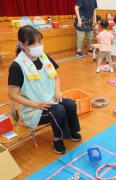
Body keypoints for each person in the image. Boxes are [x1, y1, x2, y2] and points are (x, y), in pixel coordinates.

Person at [8, 25, 81, 154]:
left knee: (70, 104)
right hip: (33, 109)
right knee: (58, 110)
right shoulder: (17, 66)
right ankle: (57, 139)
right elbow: (12, 95)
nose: (38, 45)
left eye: (40, 41)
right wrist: (37, 104)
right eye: (33, 43)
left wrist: (57, 92)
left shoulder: (44, 56)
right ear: (22, 45)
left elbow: (56, 77)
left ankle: (70, 131)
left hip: (51, 99)